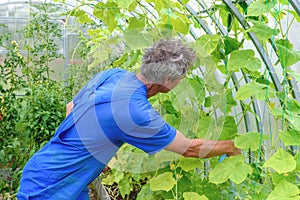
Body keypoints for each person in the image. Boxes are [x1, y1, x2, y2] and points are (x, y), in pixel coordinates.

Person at [17, 40, 241, 199]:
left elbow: (71, 108)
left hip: (52, 174)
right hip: (50, 189)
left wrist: (95, 149)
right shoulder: (137, 112)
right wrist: (231, 147)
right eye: (181, 78)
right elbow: (190, 149)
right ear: (167, 80)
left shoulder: (114, 74)